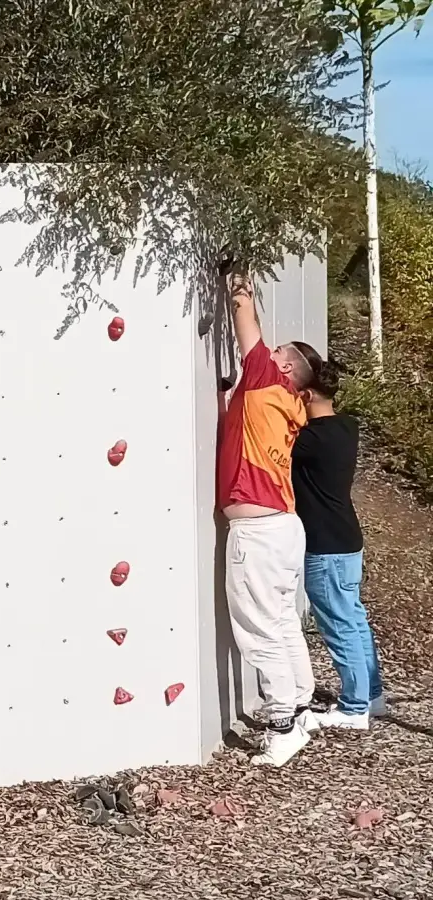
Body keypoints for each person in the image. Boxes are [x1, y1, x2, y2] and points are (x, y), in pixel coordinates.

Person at [217, 271, 326, 766]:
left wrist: (237, 275)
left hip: (258, 529)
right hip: (284, 524)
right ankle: (300, 706)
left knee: (258, 626)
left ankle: (282, 724)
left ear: (283, 364)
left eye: (276, 348)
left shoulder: (265, 376)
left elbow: (245, 316)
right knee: (282, 621)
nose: (269, 348)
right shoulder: (290, 404)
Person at [293, 359, 386, 729]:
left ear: (306, 394)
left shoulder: (309, 439)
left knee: (338, 624)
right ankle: (372, 695)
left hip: (326, 544)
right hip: (347, 538)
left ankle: (353, 708)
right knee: (354, 618)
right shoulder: (347, 427)